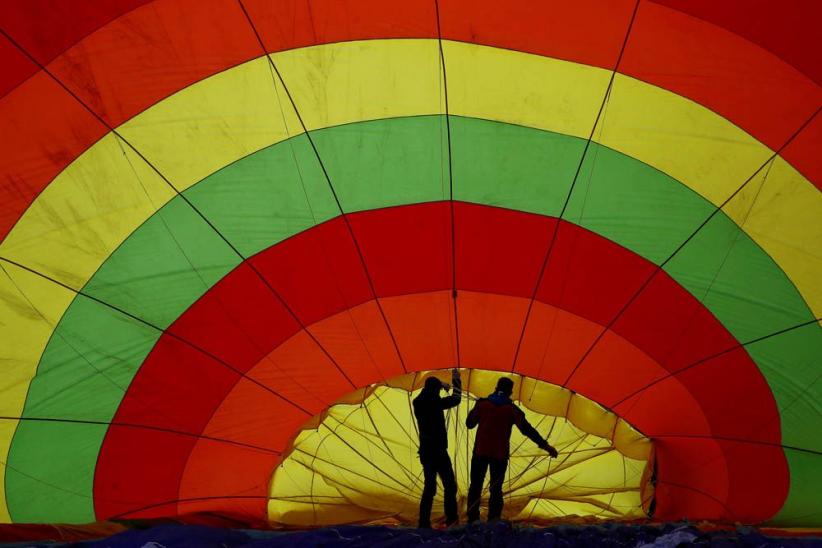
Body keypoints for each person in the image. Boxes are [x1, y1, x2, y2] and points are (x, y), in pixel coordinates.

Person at [465, 377, 558, 523]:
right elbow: (528, 430)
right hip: (499, 456)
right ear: (510, 391)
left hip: (480, 453)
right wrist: (546, 446)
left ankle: (472, 520)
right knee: (496, 490)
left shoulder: (483, 404)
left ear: (496, 387)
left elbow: (469, 424)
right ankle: (493, 521)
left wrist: (477, 407)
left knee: (475, 487)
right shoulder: (511, 410)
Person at [412, 368, 462, 528]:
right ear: (434, 391)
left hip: (426, 452)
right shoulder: (434, 402)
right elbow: (456, 399)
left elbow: (430, 389)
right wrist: (456, 379)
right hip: (438, 452)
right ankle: (452, 520)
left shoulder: (418, 402)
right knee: (450, 486)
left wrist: (440, 384)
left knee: (430, 488)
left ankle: (424, 522)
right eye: (438, 390)